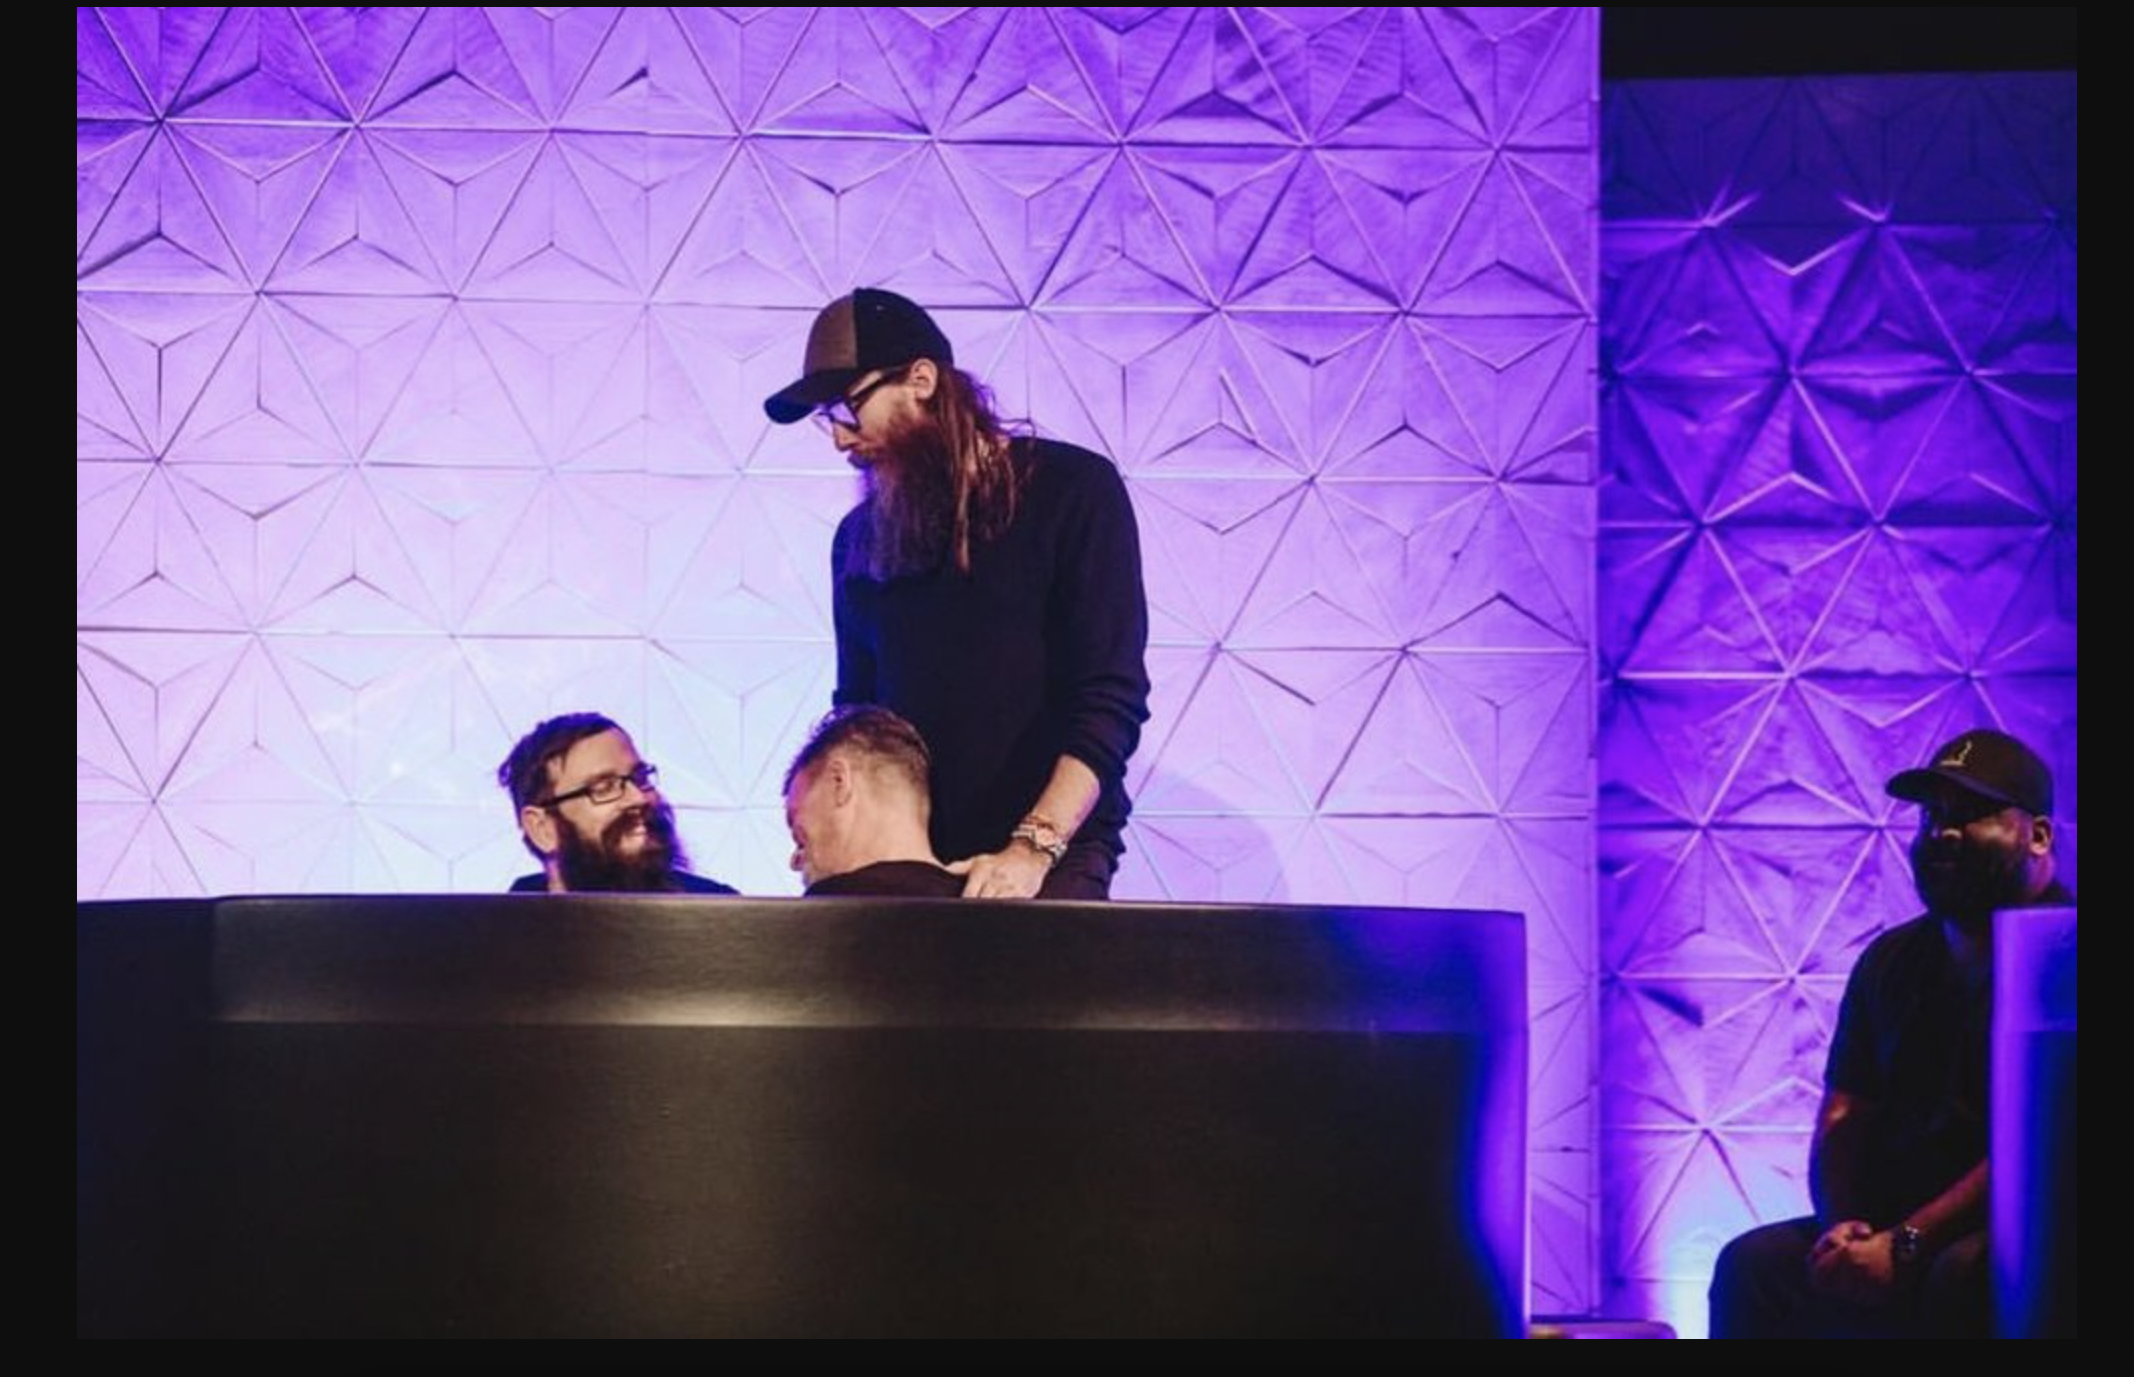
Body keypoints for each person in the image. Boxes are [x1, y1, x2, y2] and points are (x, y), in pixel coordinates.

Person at [764, 288, 1149, 900]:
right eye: (827, 421)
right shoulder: (859, 541)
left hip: (1047, 855)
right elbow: (859, 716)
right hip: (908, 861)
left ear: (921, 379)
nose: (840, 438)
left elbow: (1109, 698)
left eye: (847, 408)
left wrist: (1032, 848)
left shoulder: (1073, 491)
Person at [1708, 727, 2073, 1338]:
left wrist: (1906, 1245)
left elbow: (2037, 1151)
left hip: (2028, 1230)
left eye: (1974, 814)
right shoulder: (1891, 961)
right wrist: (1844, 1228)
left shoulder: (2068, 955)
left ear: (2038, 836)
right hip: (1895, 1230)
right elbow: (1846, 1114)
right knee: (1754, 1266)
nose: (1943, 832)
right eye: (1933, 816)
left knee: (1959, 1275)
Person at [496, 712, 735, 895]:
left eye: (640, 778)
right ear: (542, 829)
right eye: (603, 787)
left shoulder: (727, 918)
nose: (639, 798)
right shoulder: (489, 942)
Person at [785, 705, 962, 898]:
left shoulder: (824, 910)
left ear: (838, 781)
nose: (794, 863)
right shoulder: (987, 906)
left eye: (800, 840)